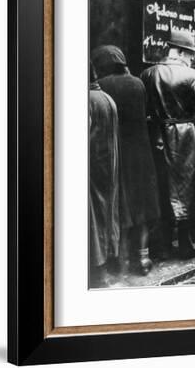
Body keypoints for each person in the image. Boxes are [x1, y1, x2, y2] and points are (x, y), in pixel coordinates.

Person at [141, 30, 195, 258]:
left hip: (158, 135)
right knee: (192, 190)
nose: (191, 60)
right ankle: (190, 245)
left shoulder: (148, 73)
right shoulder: (190, 76)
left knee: (162, 189)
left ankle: (161, 247)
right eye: (190, 55)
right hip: (186, 137)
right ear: (180, 52)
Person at [93, 45, 160, 276]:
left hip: (117, 154)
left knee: (121, 207)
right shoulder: (138, 83)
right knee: (142, 205)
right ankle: (142, 258)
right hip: (141, 153)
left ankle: (120, 262)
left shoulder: (103, 85)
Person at [89, 63, 120, 287]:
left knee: (93, 217)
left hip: (92, 165)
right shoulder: (106, 97)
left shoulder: (87, 100)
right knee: (107, 212)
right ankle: (110, 260)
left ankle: (97, 272)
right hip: (109, 164)